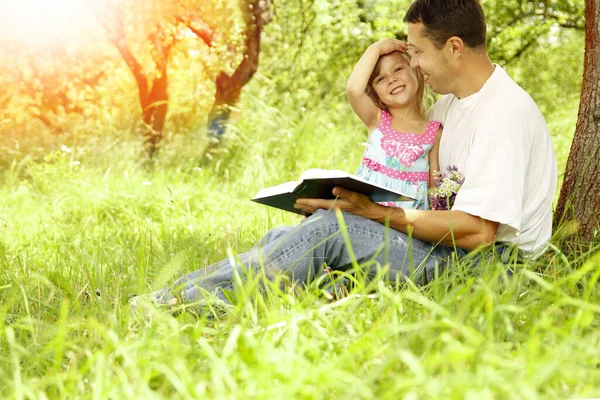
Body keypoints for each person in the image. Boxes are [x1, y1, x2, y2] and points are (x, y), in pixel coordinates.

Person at [132, 0, 557, 309]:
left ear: (455, 47)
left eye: (418, 52)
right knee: (287, 237)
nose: (415, 64)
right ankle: (169, 296)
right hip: (446, 248)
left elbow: (478, 233)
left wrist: (373, 215)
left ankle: (183, 308)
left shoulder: (503, 115)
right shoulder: (449, 106)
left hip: (484, 270)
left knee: (331, 229)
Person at [348, 43, 442, 210]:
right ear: (375, 93)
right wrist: (376, 48)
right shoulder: (377, 120)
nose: (391, 79)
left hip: (405, 225)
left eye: (398, 69)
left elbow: (434, 185)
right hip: (364, 215)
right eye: (380, 78)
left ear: (415, 71)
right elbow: (354, 90)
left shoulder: (434, 132)